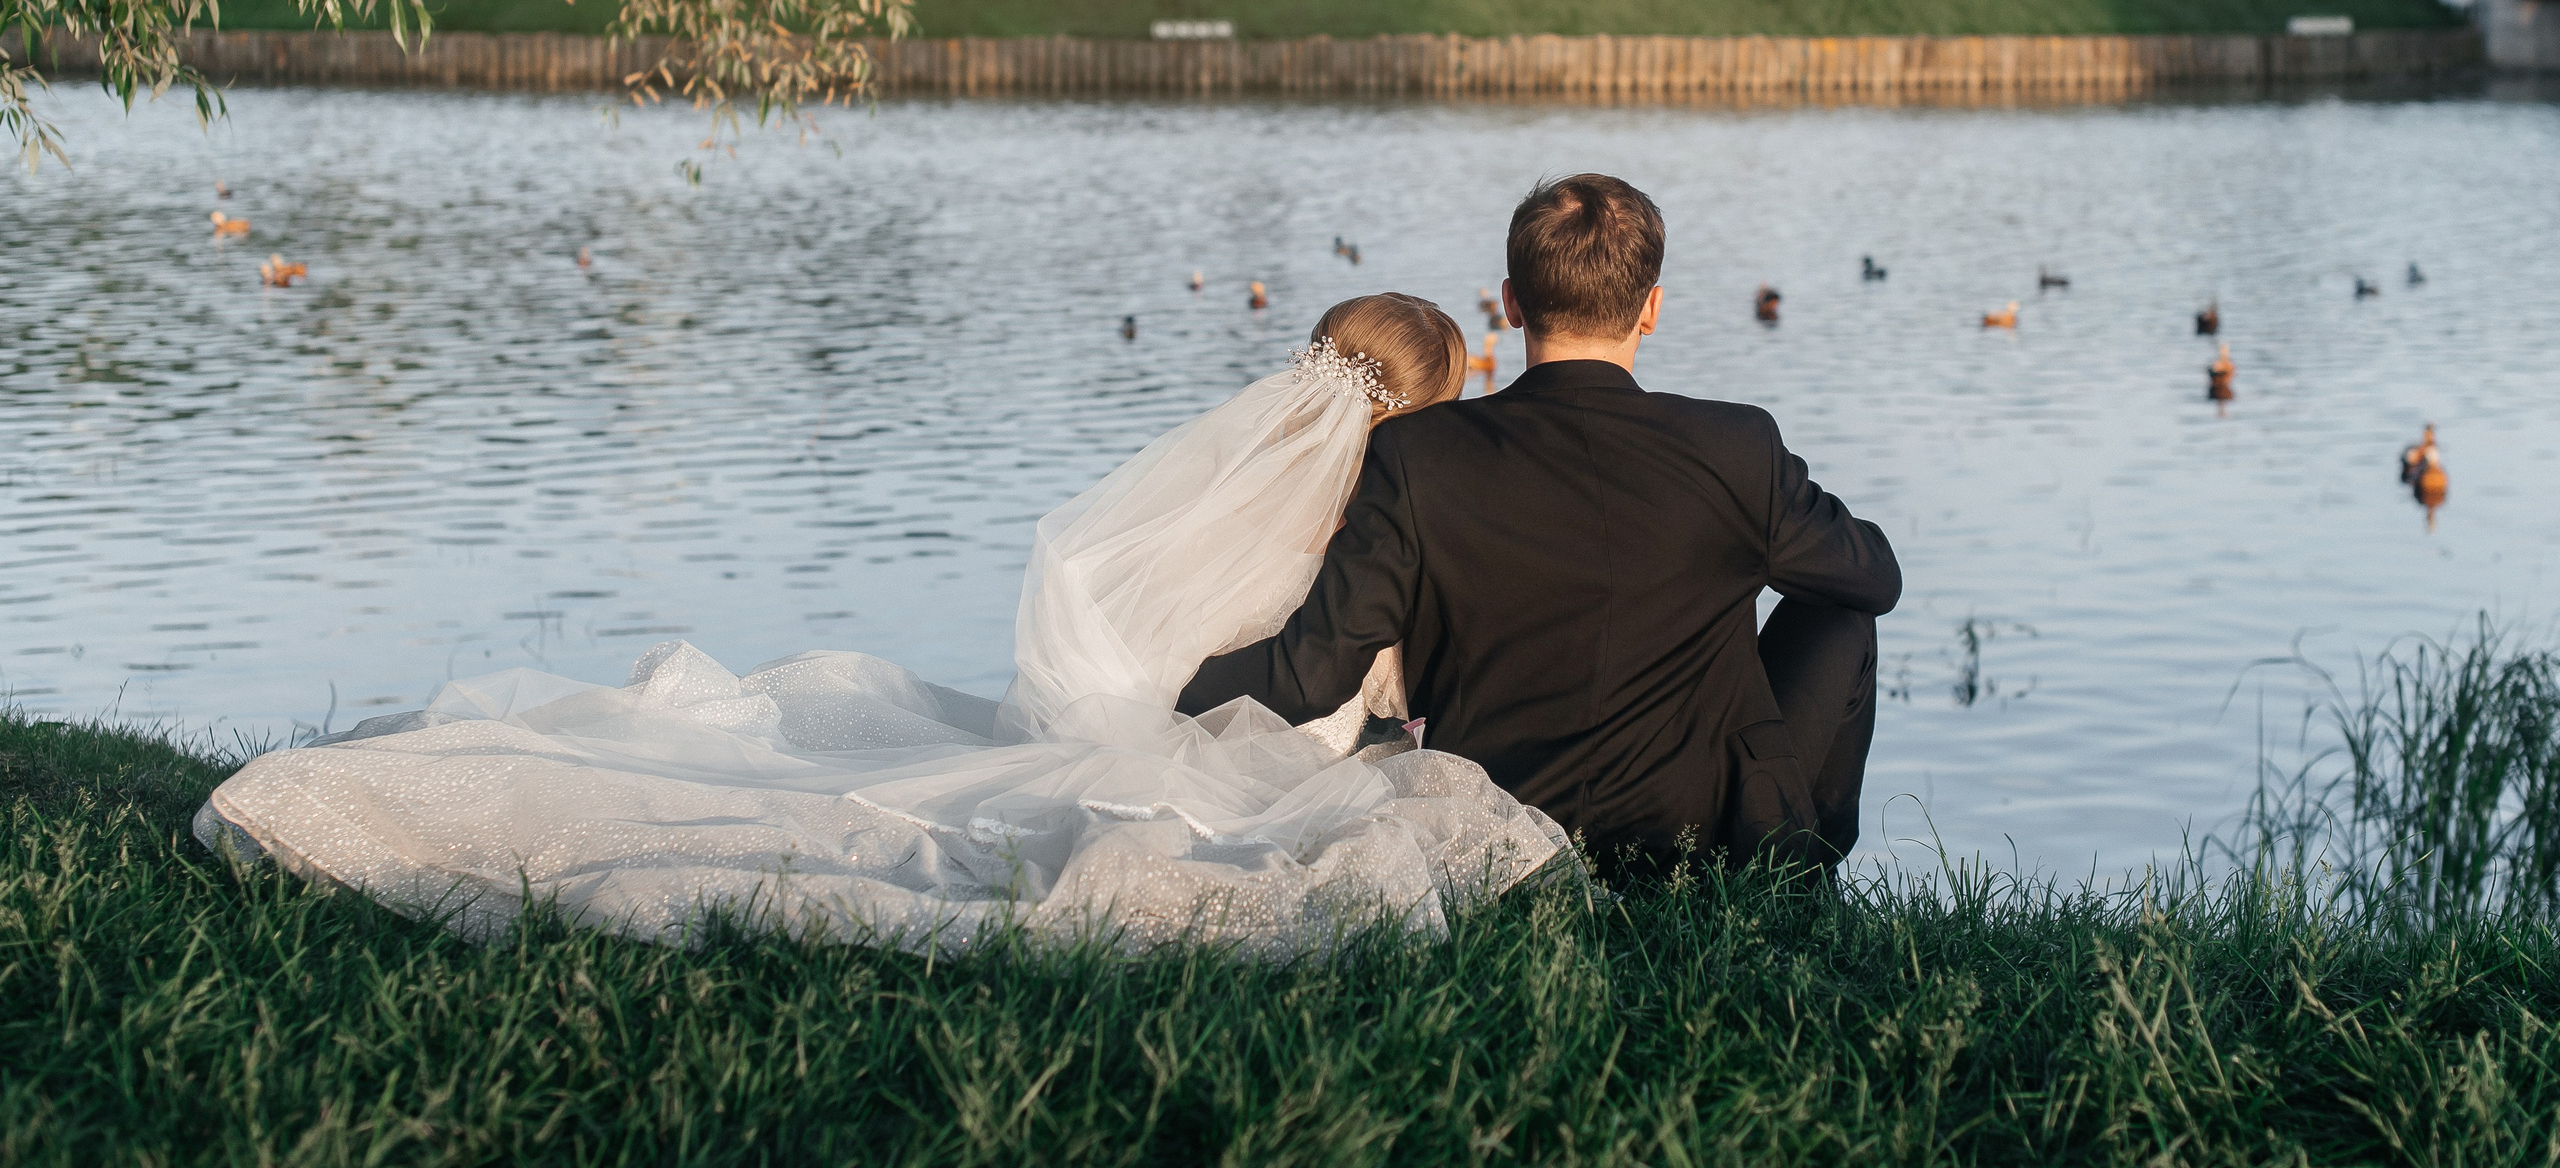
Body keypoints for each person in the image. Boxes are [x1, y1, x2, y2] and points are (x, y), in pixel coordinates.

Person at [196, 294, 1566, 958]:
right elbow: (1355, 683)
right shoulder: (1384, 529)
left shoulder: (1225, 507)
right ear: (1422, 414)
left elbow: (1141, 625)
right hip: (1243, 765)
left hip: (1153, 730)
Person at [1180, 174, 1900, 875]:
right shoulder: (1736, 446)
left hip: (1502, 826)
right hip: (1701, 833)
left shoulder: (1418, 453)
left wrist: (1161, 689)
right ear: (1651, 308)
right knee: (1842, 612)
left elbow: (1311, 674)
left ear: (1512, 304)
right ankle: (1801, 876)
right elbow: (1875, 577)